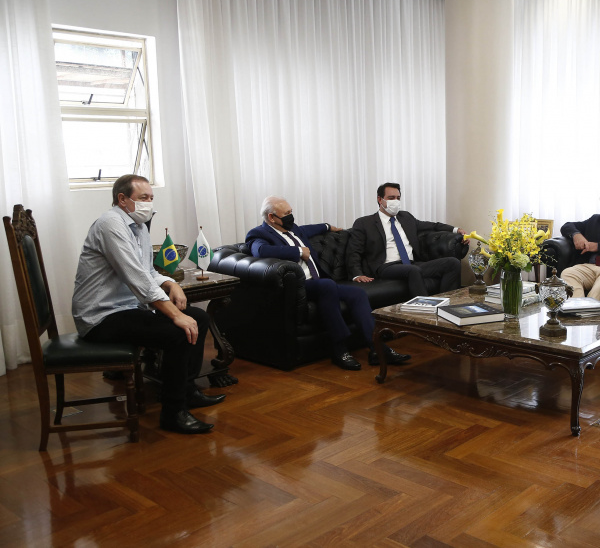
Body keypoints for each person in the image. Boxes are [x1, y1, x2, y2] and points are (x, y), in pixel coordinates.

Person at [73, 174, 223, 435]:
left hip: (125, 308)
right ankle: (173, 413)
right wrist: (174, 314)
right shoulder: (111, 224)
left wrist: (171, 284)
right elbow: (135, 277)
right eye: (143, 198)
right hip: (100, 316)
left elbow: (147, 271)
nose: (149, 204)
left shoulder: (138, 226)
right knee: (178, 331)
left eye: (151, 198)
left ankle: (187, 391)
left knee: (199, 318)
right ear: (122, 199)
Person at [246, 196, 411, 371]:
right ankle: (339, 349)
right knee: (327, 285)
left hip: (320, 283)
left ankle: (377, 348)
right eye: (286, 214)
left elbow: (307, 229)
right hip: (300, 286)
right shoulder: (259, 234)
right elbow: (260, 250)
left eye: (291, 212)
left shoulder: (292, 229)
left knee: (358, 293)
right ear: (271, 217)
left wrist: (327, 226)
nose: (291, 217)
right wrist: (298, 251)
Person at [347, 183, 468, 297]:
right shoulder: (365, 223)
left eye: (398, 198)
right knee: (412, 270)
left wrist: (456, 230)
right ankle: (424, 309)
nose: (395, 201)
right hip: (386, 267)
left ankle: (446, 304)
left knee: (452, 263)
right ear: (380, 199)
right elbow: (354, 251)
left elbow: (432, 226)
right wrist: (357, 274)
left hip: (411, 264)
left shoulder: (405, 217)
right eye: (391, 198)